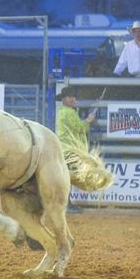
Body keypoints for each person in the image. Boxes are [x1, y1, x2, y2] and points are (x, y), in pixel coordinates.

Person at [56, 86, 96, 214]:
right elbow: (81, 128)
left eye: (74, 97)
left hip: (64, 148)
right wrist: (88, 121)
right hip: (69, 149)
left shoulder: (63, 111)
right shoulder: (69, 112)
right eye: (70, 97)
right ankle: (66, 204)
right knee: (68, 177)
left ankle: (65, 203)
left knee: (67, 177)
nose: (73, 99)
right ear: (63, 99)